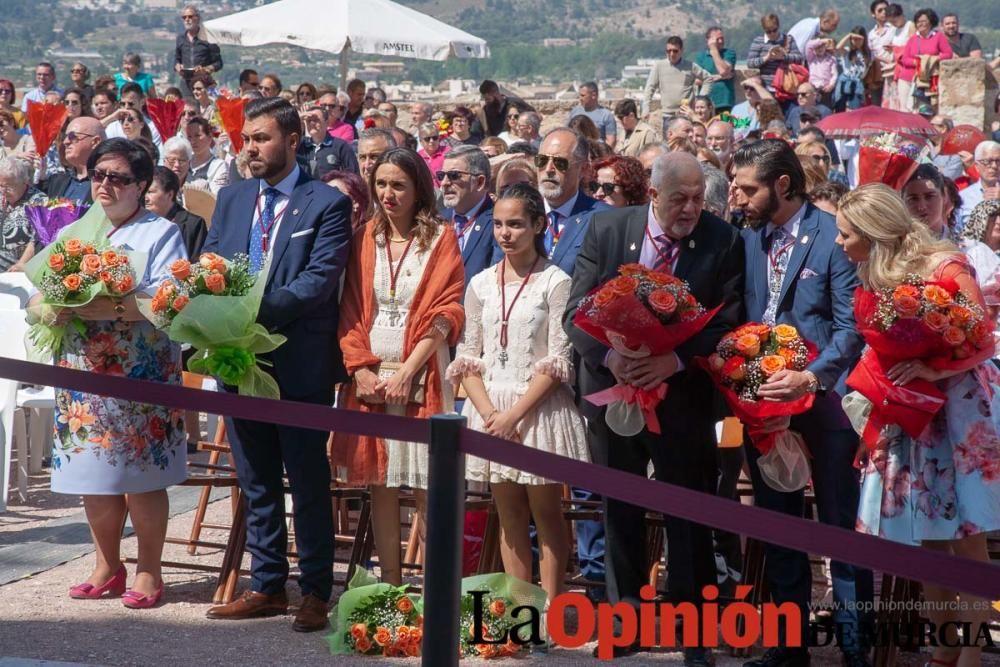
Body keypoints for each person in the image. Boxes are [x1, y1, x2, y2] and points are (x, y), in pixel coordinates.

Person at [565, 151, 744, 661]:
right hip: (614, 394)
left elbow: (725, 322)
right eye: (678, 199)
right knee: (619, 509)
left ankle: (695, 634)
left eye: (697, 199)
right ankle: (625, 625)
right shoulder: (606, 229)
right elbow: (578, 311)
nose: (690, 209)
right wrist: (610, 356)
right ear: (652, 196)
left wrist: (676, 359)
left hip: (683, 399)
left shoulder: (722, 239)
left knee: (688, 513)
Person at [202, 97, 353, 632]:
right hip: (237, 361)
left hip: (299, 364)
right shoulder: (233, 197)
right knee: (256, 479)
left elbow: (317, 282)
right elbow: (212, 261)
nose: (250, 149)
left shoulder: (325, 204)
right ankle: (266, 584)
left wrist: (248, 310)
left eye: (262, 138)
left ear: (293, 141)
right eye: (246, 139)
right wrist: (210, 308)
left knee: (306, 478)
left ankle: (314, 589)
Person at [837, 184, 1000, 667]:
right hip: (910, 413)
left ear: (871, 233)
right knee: (925, 537)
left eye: (846, 235)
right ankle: (944, 651)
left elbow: (983, 337)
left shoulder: (946, 265)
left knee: (967, 540)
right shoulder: (872, 275)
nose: (840, 244)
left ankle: (972, 656)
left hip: (960, 414)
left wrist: (935, 370)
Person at [731, 139, 872, 667]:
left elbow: (848, 328)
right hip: (763, 406)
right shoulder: (746, 240)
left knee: (839, 524)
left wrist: (808, 380)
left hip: (825, 402)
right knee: (778, 523)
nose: (739, 198)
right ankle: (790, 646)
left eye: (748, 188)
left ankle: (855, 644)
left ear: (782, 185)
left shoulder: (831, 236)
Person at [37, 138, 187, 608]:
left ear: (142, 185)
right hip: (84, 368)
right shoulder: (77, 231)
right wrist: (49, 307)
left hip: (141, 370)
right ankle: (106, 564)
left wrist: (98, 303)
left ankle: (149, 570)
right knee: (91, 473)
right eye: (98, 174)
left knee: (142, 475)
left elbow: (166, 298)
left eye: (118, 177)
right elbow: (43, 285)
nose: (104, 184)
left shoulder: (159, 232)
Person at [448, 182, 588, 604]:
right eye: (500, 225)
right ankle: (521, 611)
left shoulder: (555, 281)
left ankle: (549, 609)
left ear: (538, 225)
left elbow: (559, 361)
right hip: (490, 407)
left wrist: (514, 415)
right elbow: (468, 356)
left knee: (546, 515)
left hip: (538, 409)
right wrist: (491, 412)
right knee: (508, 516)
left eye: (517, 225)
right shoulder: (482, 283)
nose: (506, 233)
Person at [333, 147, 464, 587]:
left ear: (418, 189)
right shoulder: (363, 238)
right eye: (382, 184)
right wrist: (360, 369)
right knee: (382, 485)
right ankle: (389, 587)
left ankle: (436, 588)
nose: (388, 193)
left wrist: (408, 370)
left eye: (399, 185)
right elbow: (350, 310)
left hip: (421, 371)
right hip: (372, 373)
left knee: (428, 486)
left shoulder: (441, 237)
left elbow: (447, 310)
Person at [903, 164, 1000, 288]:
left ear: (944, 197)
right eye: (913, 199)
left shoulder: (971, 248)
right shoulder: (896, 249)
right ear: (902, 200)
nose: (922, 206)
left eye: (929, 196)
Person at [439, 145, 497, 287]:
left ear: (479, 182)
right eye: (441, 176)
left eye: (454, 176)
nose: (444, 183)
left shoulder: (498, 222)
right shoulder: (438, 220)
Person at [642, 36, 713, 135]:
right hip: (667, 115)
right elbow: (650, 88)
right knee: (669, 145)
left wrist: (700, 99)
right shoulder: (659, 66)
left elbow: (708, 78)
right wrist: (645, 109)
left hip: (685, 115)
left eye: (675, 51)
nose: (672, 54)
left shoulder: (690, 66)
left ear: (681, 50)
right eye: (668, 51)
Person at [144, 165, 207, 258]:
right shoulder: (138, 221)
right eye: (143, 191)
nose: (145, 198)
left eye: (150, 192)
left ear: (170, 194)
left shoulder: (193, 224)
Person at [897, 9, 953, 112]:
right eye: (918, 21)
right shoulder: (913, 39)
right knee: (905, 109)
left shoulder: (938, 37)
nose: (920, 24)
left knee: (923, 110)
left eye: (923, 21)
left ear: (930, 21)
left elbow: (948, 54)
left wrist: (931, 60)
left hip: (927, 80)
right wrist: (918, 62)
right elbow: (905, 59)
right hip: (907, 79)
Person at [45, 117, 105, 206]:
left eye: (72, 136)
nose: (65, 142)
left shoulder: (106, 183)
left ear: (95, 142)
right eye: (65, 137)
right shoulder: (57, 181)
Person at [0, 157, 45, 271]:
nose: (4, 191)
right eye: (1, 185)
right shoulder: (2, 195)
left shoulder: (39, 202)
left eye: (9, 187)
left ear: (25, 182)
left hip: (16, 267)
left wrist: (22, 264)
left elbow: (38, 238)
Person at [746, 14, 805, 95]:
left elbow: (799, 59)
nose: (772, 34)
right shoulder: (758, 41)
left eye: (774, 30)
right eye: (768, 32)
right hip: (766, 88)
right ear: (764, 29)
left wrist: (783, 57)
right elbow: (750, 63)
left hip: (786, 87)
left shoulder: (788, 40)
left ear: (778, 26)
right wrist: (766, 58)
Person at [296, 105, 358, 180]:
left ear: (326, 122)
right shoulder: (299, 144)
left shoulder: (340, 146)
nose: (312, 123)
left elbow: (353, 177)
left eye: (316, 120)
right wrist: (297, 120)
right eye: (309, 120)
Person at [174, 5, 223, 95]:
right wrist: (177, 66)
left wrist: (206, 69)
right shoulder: (180, 39)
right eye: (184, 17)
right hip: (186, 84)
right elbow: (177, 59)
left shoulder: (208, 38)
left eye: (190, 16)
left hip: (204, 83)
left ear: (198, 18)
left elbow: (219, 63)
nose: (187, 19)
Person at [957, 141, 1000, 232]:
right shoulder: (963, 197)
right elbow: (957, 232)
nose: (994, 166)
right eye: (988, 161)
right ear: (976, 166)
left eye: (998, 161)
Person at [694, 27, 737, 114]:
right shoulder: (700, 57)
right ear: (708, 40)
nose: (721, 41)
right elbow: (697, 80)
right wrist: (720, 77)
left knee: (724, 126)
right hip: (705, 104)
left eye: (722, 38)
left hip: (724, 102)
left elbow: (723, 71)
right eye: (717, 39)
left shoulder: (729, 53)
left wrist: (714, 51)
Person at [184, 117, 228, 195]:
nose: (193, 141)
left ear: (210, 137)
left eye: (197, 135)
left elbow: (217, 199)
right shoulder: (183, 162)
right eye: (189, 137)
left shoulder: (219, 166)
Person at [834, 28, 873, 111]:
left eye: (859, 39)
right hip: (845, 82)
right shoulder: (847, 51)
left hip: (858, 83)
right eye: (854, 39)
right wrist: (849, 35)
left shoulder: (869, 53)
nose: (856, 42)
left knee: (855, 109)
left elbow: (869, 69)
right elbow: (837, 48)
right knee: (840, 108)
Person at [569, 82, 617, 149]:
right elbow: (567, 133)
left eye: (583, 95)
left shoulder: (606, 115)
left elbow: (611, 141)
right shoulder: (575, 112)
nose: (580, 98)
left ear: (593, 95)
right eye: (579, 95)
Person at [417, 122, 449, 188]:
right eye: (427, 139)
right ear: (420, 141)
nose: (431, 141)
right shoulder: (417, 157)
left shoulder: (448, 153)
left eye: (434, 138)